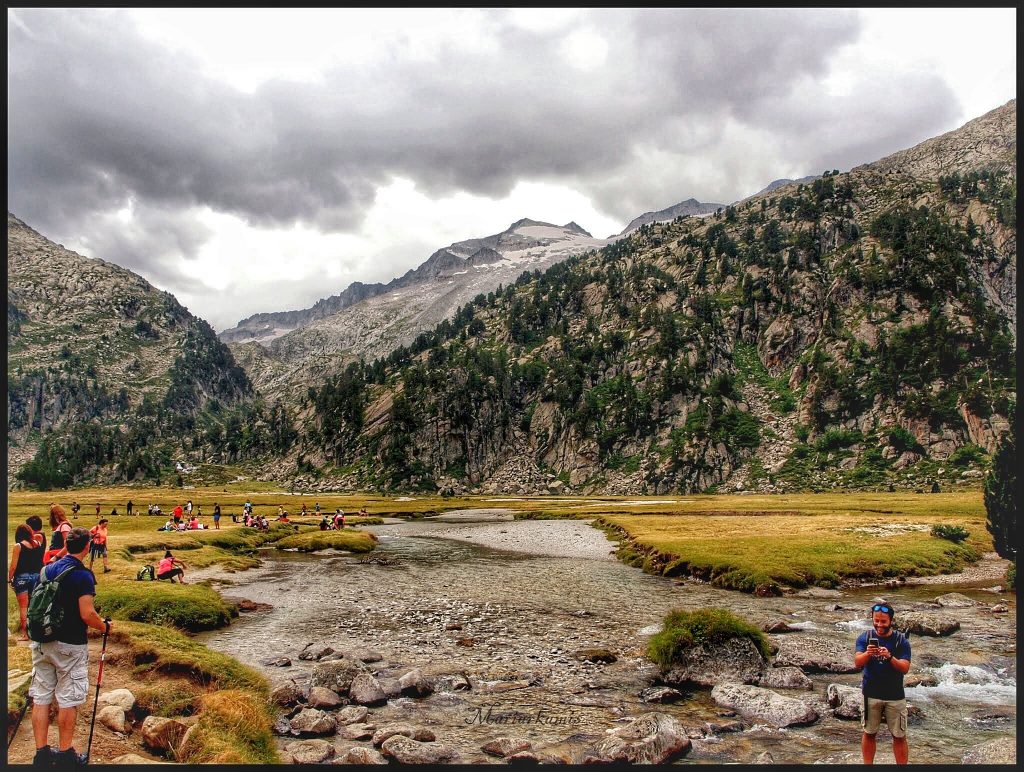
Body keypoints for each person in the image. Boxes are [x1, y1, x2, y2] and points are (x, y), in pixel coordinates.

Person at [28, 526, 111, 766]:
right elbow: (87, 614)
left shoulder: (46, 570)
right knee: (68, 698)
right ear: (87, 546)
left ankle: (41, 753)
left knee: (41, 696)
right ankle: (66, 754)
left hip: (42, 640)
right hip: (70, 644)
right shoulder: (83, 575)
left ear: (68, 545)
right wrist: (105, 626)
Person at [855, 602, 912, 764]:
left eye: (883, 622)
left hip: (895, 695)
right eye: (876, 621)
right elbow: (857, 662)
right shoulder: (864, 638)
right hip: (870, 694)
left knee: (899, 736)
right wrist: (868, 653)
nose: (879, 625)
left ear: (891, 621)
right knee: (869, 733)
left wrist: (889, 657)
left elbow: (905, 668)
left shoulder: (901, 641)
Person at [9, 524, 45, 640]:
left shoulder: (18, 546)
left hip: (21, 577)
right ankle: (36, 631)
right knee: (34, 606)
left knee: (23, 607)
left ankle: (25, 634)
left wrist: (9, 579)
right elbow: (41, 562)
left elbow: (13, 566)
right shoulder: (38, 544)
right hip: (36, 576)